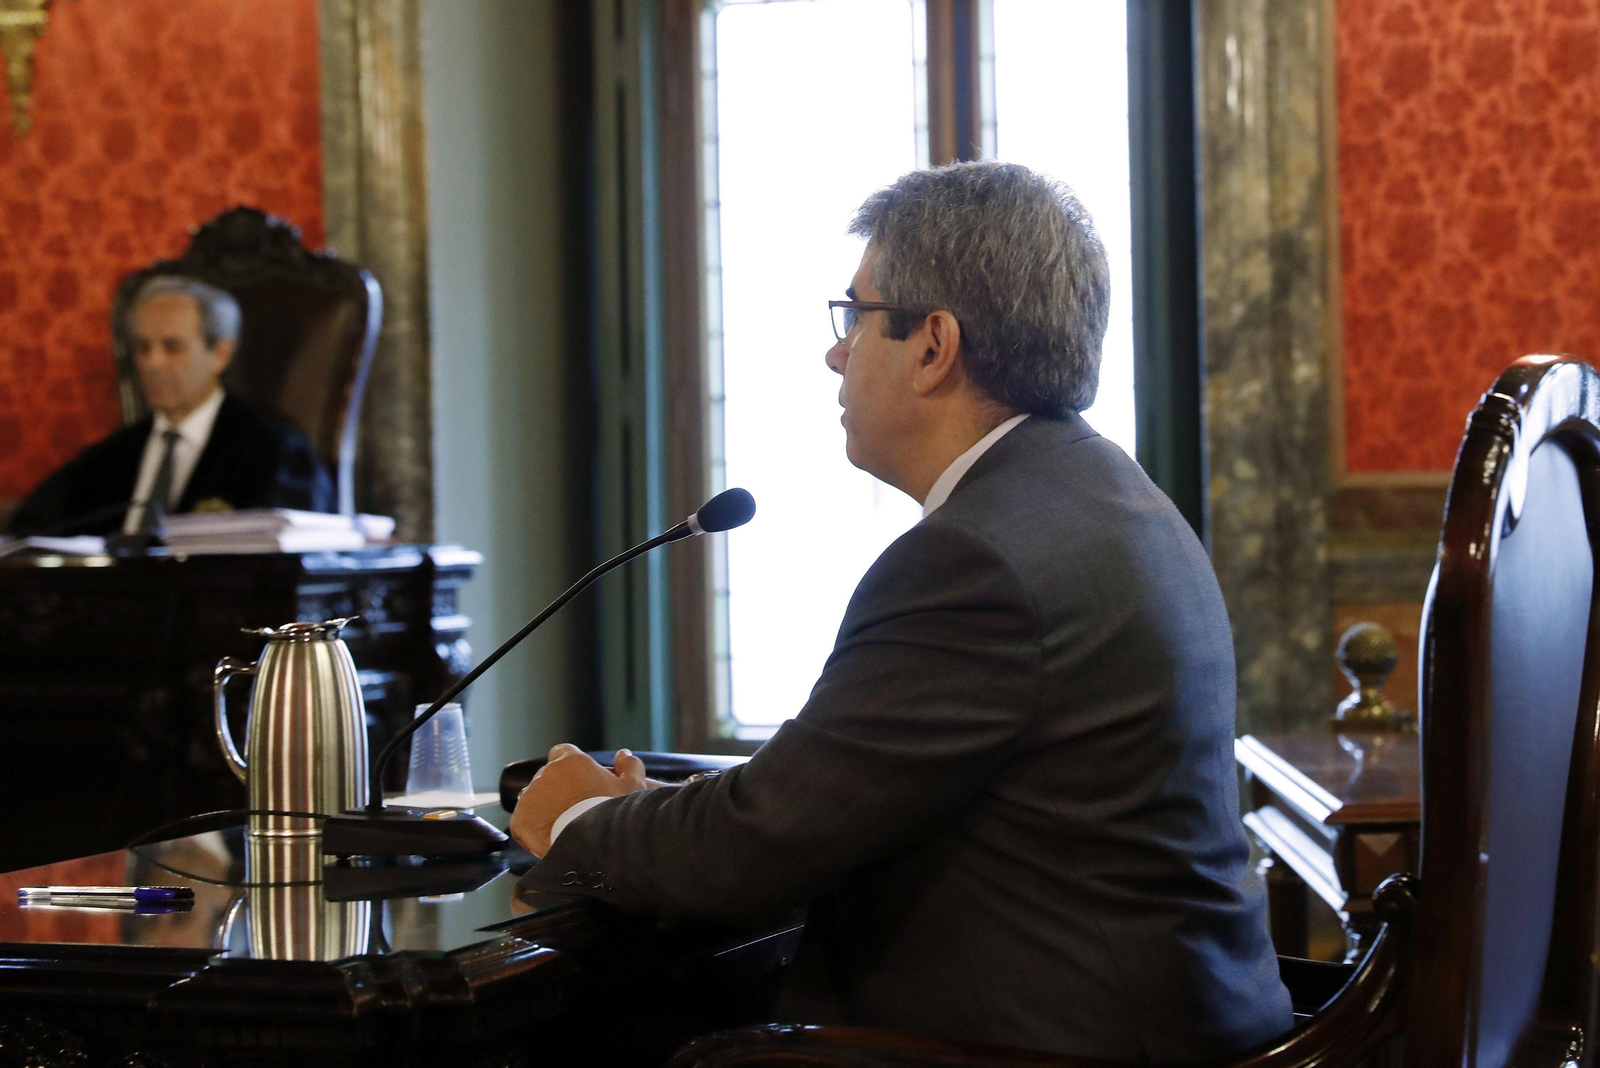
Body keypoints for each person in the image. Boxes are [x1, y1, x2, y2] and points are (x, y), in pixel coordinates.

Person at [511, 162, 1292, 1060]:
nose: (836, 353)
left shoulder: (978, 562)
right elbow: (835, 794)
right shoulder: (1104, 494)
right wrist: (664, 812)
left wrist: (579, 821)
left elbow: (757, 847)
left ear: (933, 345)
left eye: (856, 316)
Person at [9, 276, 333, 536]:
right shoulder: (109, 458)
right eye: (142, 347)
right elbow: (26, 529)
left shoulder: (274, 451)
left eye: (172, 347)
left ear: (219, 353)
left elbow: (299, 553)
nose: (152, 363)